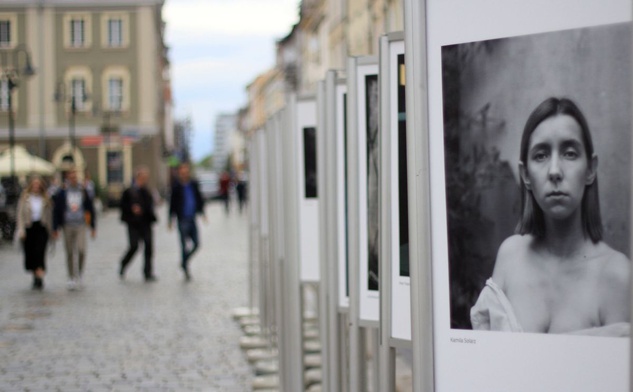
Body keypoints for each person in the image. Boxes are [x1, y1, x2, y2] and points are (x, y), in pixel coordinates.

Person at [470, 97, 630, 337]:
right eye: (541, 156)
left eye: (569, 153)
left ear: (590, 169)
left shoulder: (617, 276)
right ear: (525, 174)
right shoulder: (510, 257)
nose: (555, 171)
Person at [53, 168, 97, 290]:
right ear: (67, 178)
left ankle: (80, 273)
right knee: (69, 251)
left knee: (81, 249)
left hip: (80, 224)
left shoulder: (82, 190)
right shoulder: (62, 192)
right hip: (67, 224)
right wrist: (55, 228)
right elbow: (56, 210)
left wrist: (93, 226)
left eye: (75, 177)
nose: (74, 179)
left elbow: (90, 208)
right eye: (71, 177)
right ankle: (71, 276)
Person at [168, 162, 206, 281]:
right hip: (182, 218)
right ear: (179, 173)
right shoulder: (176, 186)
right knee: (184, 245)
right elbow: (172, 204)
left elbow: (199, 198)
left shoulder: (193, 184)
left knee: (196, 244)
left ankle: (184, 261)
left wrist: (203, 213)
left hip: (192, 217)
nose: (184, 174)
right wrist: (170, 219)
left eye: (186, 171)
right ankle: (185, 268)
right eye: (182, 172)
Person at [119, 166, 158, 282]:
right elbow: (122, 206)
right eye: (143, 177)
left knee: (148, 247)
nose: (145, 180)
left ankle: (147, 272)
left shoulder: (146, 191)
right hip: (133, 223)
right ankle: (123, 263)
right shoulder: (129, 191)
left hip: (145, 223)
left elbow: (150, 206)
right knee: (134, 246)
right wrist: (132, 209)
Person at [16, 176, 53, 290]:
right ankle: (35, 275)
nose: (36, 187)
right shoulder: (25, 198)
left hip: (41, 228)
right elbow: (20, 215)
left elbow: (50, 215)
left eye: (38, 184)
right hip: (29, 228)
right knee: (31, 253)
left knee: (40, 252)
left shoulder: (45, 199)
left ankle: (40, 275)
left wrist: (51, 230)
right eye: (34, 184)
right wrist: (21, 229)